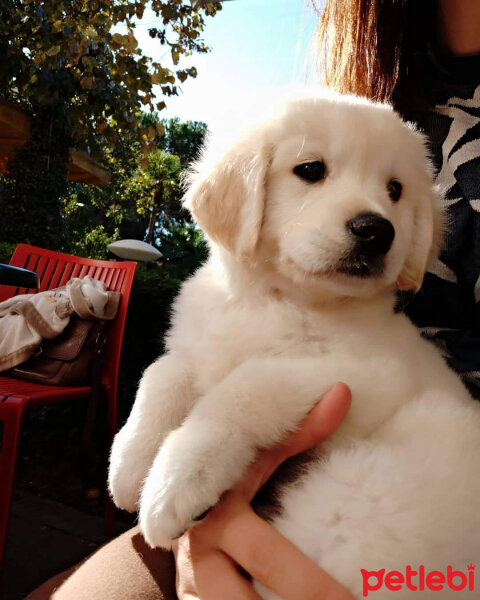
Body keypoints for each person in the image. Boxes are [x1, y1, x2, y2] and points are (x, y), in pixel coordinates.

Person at [27, 0, 480, 598]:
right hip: (248, 513)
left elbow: (356, 389)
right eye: (312, 171)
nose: (376, 218)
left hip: (409, 515)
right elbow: (192, 374)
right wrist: (166, 402)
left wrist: (226, 422)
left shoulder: (369, 334)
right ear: (241, 199)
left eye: (394, 192)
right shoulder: (375, 71)